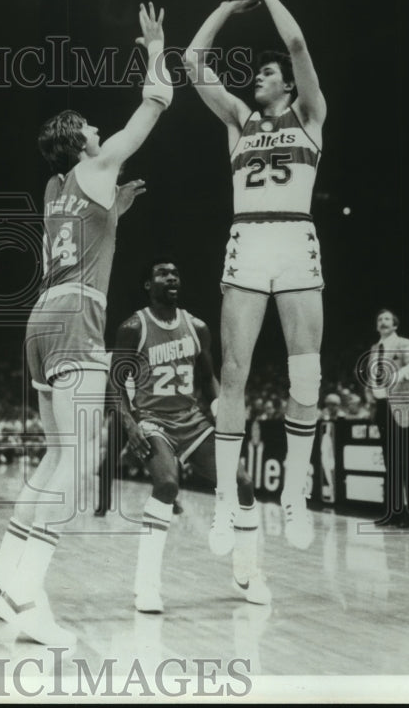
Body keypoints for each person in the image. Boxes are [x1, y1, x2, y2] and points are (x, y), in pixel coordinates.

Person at [0, 2, 173, 645]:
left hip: (41, 318)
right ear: (80, 140)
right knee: (84, 460)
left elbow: (86, 235)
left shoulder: (57, 189)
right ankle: (30, 598)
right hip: (78, 316)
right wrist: (153, 49)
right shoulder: (96, 166)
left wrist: (116, 212)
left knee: (57, 455)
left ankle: (2, 575)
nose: (99, 126)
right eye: (91, 125)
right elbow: (157, 103)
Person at [183, 0, 326, 552]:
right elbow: (192, 62)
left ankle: (294, 493)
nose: (257, 79)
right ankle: (225, 507)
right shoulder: (239, 121)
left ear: (287, 85)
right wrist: (226, 5)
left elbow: (294, 41)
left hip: (295, 237)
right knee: (233, 375)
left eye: (266, 74)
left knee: (306, 373)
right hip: (247, 239)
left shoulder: (311, 115)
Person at [112, 258, 271, 613]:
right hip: (154, 421)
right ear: (147, 285)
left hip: (193, 420)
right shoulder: (132, 328)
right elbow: (113, 386)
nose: (171, 277)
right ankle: (147, 586)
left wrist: (222, 410)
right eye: (162, 273)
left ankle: (247, 574)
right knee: (167, 485)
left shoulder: (197, 327)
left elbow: (209, 378)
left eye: (175, 273)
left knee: (244, 483)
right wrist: (130, 424)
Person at [363, 309, 409, 527]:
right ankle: (392, 512)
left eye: (387, 319)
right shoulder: (374, 349)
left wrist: (396, 376)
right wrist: (371, 394)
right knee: (391, 463)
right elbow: (372, 377)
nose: (383, 322)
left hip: (404, 408)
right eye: (379, 319)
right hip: (383, 409)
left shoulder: (404, 343)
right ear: (376, 326)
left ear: (395, 325)